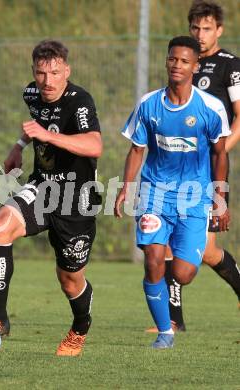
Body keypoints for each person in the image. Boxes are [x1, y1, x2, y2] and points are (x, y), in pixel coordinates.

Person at [0, 39, 102, 357]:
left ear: (66, 71)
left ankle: (80, 327)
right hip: (42, 187)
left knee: (70, 281)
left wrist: (49, 136)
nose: (47, 81)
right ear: (34, 72)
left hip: (75, 200)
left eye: (54, 73)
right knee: (0, 226)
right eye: (40, 73)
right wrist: (18, 147)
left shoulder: (79, 102)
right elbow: (35, 123)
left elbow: (94, 145)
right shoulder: (32, 93)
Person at [115, 36, 230, 348]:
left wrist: (220, 200)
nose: (176, 65)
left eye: (183, 61)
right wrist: (126, 188)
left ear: (195, 66)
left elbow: (220, 155)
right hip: (154, 193)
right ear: (166, 61)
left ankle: (170, 311)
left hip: (195, 198)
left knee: (183, 272)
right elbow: (136, 150)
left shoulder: (210, 108)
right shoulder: (149, 104)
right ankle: (165, 331)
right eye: (172, 59)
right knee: (153, 258)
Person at [152, 0, 240, 333]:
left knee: (207, 250)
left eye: (206, 29)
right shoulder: (184, 62)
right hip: (174, 170)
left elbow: (239, 119)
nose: (200, 35)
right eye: (195, 28)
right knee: (179, 242)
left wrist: (215, 152)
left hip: (207, 171)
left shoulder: (230, 66)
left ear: (219, 30)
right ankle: (173, 320)